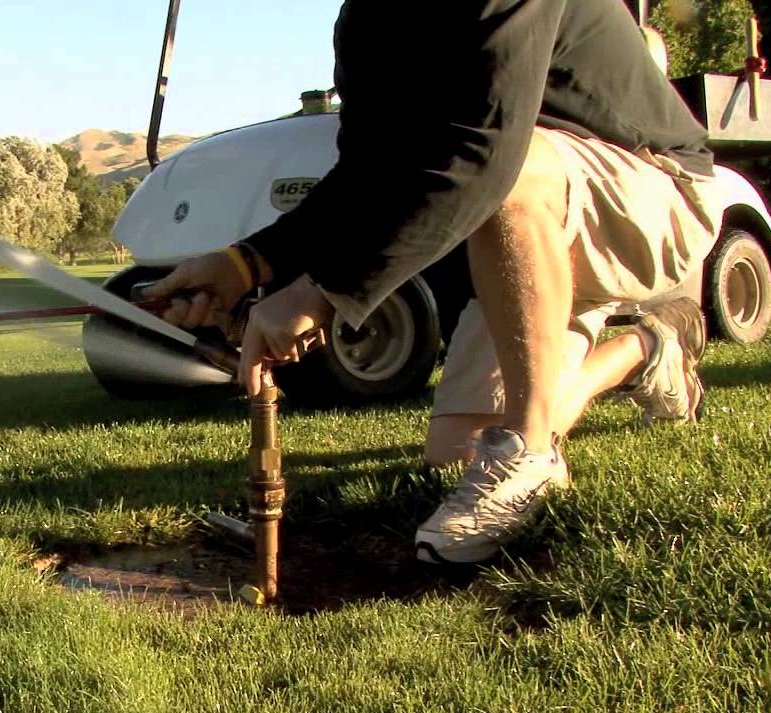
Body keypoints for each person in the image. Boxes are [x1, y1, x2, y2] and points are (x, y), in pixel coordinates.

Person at [143, 0, 723, 564]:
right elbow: (364, 176)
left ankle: (531, 451)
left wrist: (323, 293)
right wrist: (243, 263)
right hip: (539, 226)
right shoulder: (367, 20)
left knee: (513, 174)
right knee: (457, 456)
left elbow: (484, 154)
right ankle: (649, 349)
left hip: (657, 186)